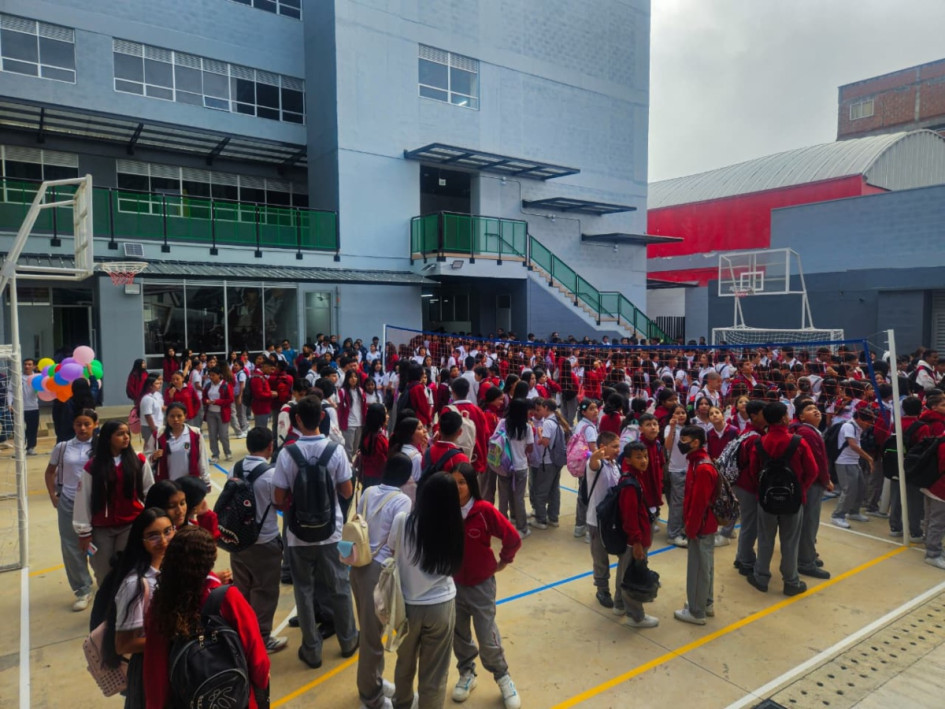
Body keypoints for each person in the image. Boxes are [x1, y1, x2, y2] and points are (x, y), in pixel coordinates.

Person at [272, 396, 359, 668]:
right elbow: (346, 491)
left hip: (298, 535)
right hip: (329, 531)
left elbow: (278, 497)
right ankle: (347, 640)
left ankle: (311, 649)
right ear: (322, 417)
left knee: (304, 590)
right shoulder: (335, 451)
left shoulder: (287, 453)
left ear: (297, 420)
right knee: (340, 586)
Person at [143, 526, 271, 709]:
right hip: (235, 699)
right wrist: (261, 684)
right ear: (209, 563)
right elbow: (256, 654)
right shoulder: (228, 598)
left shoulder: (161, 605)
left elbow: (155, 672)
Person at [451, 463, 523, 708]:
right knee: (458, 633)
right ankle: (467, 673)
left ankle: (502, 676)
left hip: (481, 585)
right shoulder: (446, 511)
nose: (457, 487)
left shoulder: (483, 510)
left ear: (471, 485)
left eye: (462, 482)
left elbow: (512, 537)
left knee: (487, 635)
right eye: (454, 482)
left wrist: (503, 561)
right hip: (452, 585)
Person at [391, 472, 465, 709]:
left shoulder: (403, 521)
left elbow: (391, 552)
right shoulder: (454, 526)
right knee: (434, 671)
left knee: (405, 661)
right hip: (441, 606)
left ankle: (402, 703)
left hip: (407, 606)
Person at [350, 454, 413, 709]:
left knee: (371, 631)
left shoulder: (369, 490)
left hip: (359, 565)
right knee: (372, 637)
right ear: (407, 477)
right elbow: (397, 543)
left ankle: (373, 681)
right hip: (379, 573)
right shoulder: (402, 500)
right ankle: (370, 696)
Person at [102, 507, 175, 709]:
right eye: (153, 536)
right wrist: (173, 638)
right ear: (140, 541)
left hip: (172, 662)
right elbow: (124, 645)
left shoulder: (172, 565)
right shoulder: (135, 584)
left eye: (168, 531)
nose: (163, 540)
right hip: (149, 669)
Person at [746, 402, 819, 596]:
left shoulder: (759, 443)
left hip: (766, 499)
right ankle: (791, 581)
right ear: (784, 419)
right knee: (790, 541)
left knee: (765, 539)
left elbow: (753, 471)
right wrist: (800, 489)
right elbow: (812, 470)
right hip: (793, 501)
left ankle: (761, 577)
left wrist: (761, 489)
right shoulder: (798, 441)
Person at [229, 427, 289, 654]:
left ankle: (242, 633)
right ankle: (261, 638)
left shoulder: (235, 469)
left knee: (243, 588)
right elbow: (279, 502)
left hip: (238, 541)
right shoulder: (271, 475)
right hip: (264, 540)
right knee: (265, 591)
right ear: (270, 446)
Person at [74, 421, 154, 586]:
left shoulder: (139, 460)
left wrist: (150, 520)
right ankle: (107, 607)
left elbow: (148, 491)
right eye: (120, 434)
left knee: (128, 571)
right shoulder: (93, 466)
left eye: (127, 433)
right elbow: (83, 498)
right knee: (104, 573)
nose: (126, 437)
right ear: (107, 438)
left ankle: (125, 608)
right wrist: (84, 531)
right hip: (101, 529)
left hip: (131, 524)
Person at [43, 408, 97, 611]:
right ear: (73, 425)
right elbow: (49, 472)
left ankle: (103, 579)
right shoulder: (63, 447)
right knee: (71, 546)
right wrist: (53, 495)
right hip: (69, 501)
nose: (82, 428)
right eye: (78, 424)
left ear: (95, 424)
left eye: (87, 424)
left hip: (94, 503)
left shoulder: (101, 446)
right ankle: (83, 589)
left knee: (98, 542)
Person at [673, 425, 718, 625]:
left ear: (696, 443)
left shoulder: (702, 468)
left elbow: (700, 503)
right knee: (705, 565)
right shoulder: (695, 462)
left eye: (684, 440)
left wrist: (691, 528)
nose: (680, 443)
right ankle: (705, 601)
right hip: (701, 524)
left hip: (701, 526)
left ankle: (696, 611)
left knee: (698, 568)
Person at [614, 441, 660, 629]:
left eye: (645, 456)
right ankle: (635, 615)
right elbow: (630, 517)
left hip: (636, 538)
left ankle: (619, 604)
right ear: (628, 460)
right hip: (635, 540)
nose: (644, 461)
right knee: (632, 576)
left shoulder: (634, 477)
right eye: (638, 457)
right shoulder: (630, 485)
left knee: (624, 570)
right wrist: (637, 542)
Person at [792, 401, 833, 579]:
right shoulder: (806, 432)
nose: (815, 410)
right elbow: (817, 460)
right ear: (801, 417)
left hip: (812, 482)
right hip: (812, 483)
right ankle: (805, 562)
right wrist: (826, 480)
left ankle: (807, 554)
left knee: (809, 522)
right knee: (809, 523)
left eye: (816, 408)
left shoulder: (811, 431)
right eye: (809, 409)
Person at [586, 431, 623, 610]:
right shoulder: (596, 465)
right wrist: (595, 456)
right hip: (597, 520)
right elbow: (592, 464)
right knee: (600, 558)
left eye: (618, 446)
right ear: (603, 447)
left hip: (613, 519)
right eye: (614, 446)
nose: (618, 449)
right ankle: (602, 589)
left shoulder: (616, 465)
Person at [732, 400, 768, 576]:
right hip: (748, 486)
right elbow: (754, 468)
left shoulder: (748, 432)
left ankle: (741, 556)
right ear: (754, 416)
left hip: (742, 484)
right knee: (750, 525)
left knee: (748, 523)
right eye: (763, 413)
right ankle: (746, 561)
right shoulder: (755, 437)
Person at [144, 402, 211, 487]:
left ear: (185, 416)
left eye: (179, 416)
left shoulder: (195, 434)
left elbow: (202, 458)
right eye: (172, 416)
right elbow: (146, 457)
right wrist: (153, 457)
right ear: (167, 417)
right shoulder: (158, 435)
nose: (175, 419)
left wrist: (206, 480)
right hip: (167, 485)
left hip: (190, 483)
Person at [830, 408, 876, 529]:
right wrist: (868, 458)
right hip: (844, 462)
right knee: (849, 489)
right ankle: (837, 515)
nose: (869, 425)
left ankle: (853, 511)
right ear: (859, 419)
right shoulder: (848, 426)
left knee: (861, 487)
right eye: (868, 422)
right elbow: (852, 444)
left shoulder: (858, 427)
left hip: (854, 461)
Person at [496, 399, 534, 538]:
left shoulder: (502, 423)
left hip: (504, 465)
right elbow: (530, 448)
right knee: (519, 498)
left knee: (503, 496)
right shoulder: (527, 427)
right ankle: (521, 528)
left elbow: (495, 439)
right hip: (520, 466)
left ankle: (501, 526)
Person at [529, 398, 569, 530]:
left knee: (541, 491)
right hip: (557, 461)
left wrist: (539, 433)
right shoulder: (558, 421)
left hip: (547, 461)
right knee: (553, 490)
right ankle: (553, 517)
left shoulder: (547, 423)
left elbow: (545, 442)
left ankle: (541, 519)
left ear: (546, 408)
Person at [572, 398, 600, 541]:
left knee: (582, 495)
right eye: (591, 409)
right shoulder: (589, 428)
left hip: (580, 465)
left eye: (596, 408)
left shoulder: (580, 425)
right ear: (583, 412)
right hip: (589, 466)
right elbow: (593, 449)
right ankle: (590, 531)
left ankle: (579, 526)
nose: (595, 411)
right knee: (590, 498)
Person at [663, 404, 691, 547]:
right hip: (676, 471)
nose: (681, 415)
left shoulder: (690, 428)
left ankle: (682, 529)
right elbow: (667, 446)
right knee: (677, 503)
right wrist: (673, 428)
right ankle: (673, 534)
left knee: (686, 502)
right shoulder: (669, 428)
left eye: (683, 412)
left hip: (689, 470)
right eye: (677, 413)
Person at [8, 358, 40, 455]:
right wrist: (10, 404)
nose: (27, 366)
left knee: (32, 429)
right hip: (18, 409)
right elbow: (10, 391)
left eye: (29, 364)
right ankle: (19, 449)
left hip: (33, 407)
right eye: (25, 364)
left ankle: (30, 447)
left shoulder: (38, 377)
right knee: (18, 430)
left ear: (34, 366)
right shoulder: (16, 377)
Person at [356, 403, 389, 488]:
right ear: (380, 417)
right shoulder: (378, 438)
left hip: (368, 475)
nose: (388, 416)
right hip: (376, 478)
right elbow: (381, 462)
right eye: (385, 414)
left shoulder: (368, 432)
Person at [339, 368, 367, 459]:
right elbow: (339, 410)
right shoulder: (342, 392)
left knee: (355, 449)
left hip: (359, 423)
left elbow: (364, 408)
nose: (353, 379)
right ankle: (348, 470)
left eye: (355, 377)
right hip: (348, 424)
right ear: (347, 379)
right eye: (351, 377)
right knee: (348, 449)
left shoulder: (361, 391)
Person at [137, 373, 164, 446]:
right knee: (149, 446)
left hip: (158, 425)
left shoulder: (156, 395)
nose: (159, 385)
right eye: (156, 383)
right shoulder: (147, 398)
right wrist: (153, 429)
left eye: (159, 383)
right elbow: (148, 415)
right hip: (149, 427)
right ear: (150, 386)